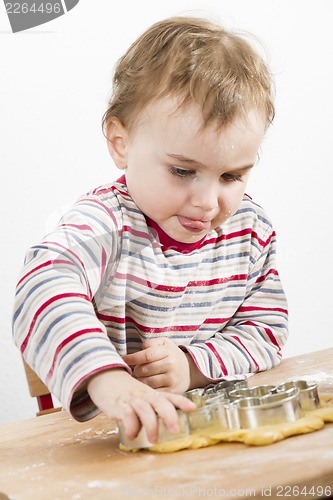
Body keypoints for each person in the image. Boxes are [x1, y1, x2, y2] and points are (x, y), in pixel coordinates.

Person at [13, 16, 288, 444]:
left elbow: (266, 330)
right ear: (121, 143)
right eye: (183, 170)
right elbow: (41, 288)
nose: (208, 201)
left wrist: (193, 365)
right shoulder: (103, 224)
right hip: (98, 441)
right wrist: (109, 381)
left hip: (198, 436)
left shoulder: (249, 231)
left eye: (232, 176)